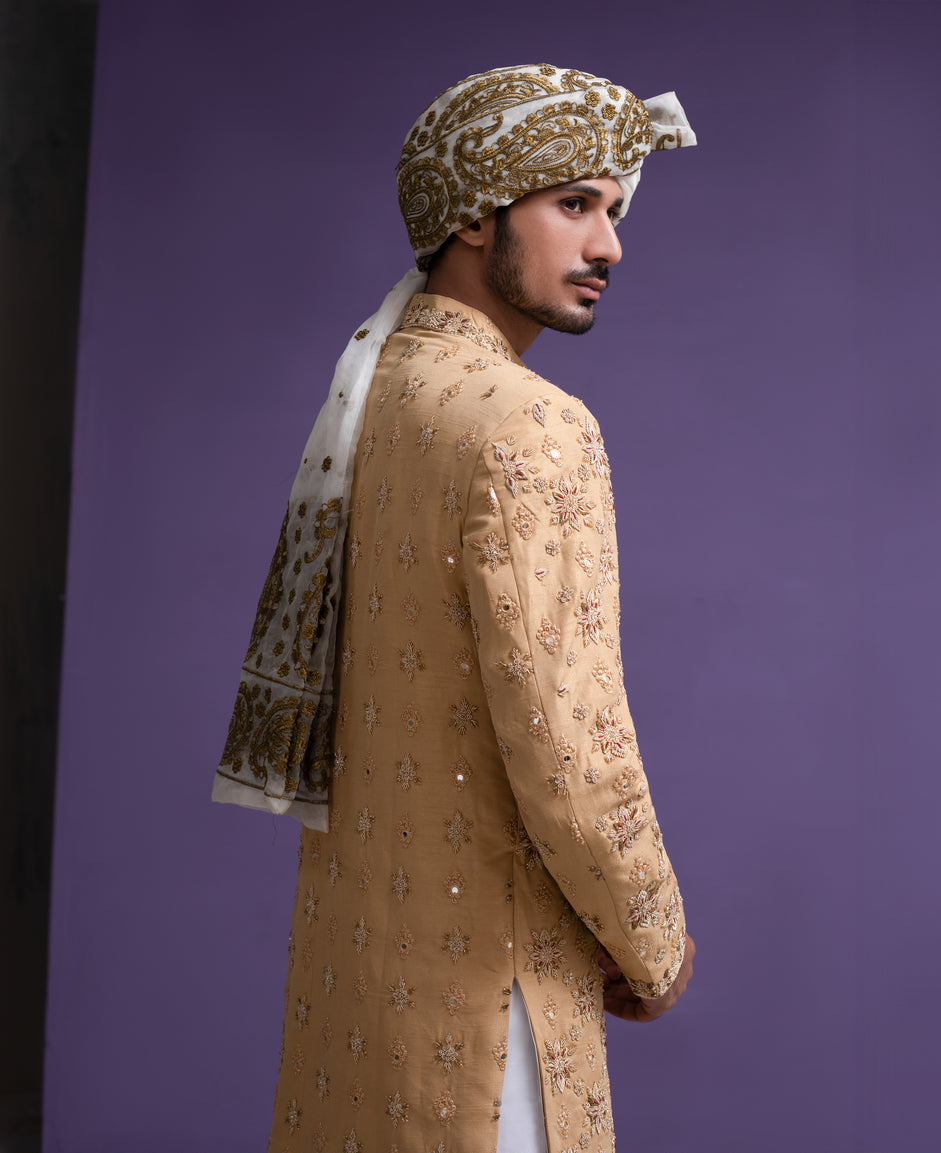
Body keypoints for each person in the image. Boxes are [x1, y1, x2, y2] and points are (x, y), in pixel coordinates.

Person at [214, 63, 697, 1153]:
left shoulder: (373, 399)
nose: (610, 247)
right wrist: (653, 935)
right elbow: (567, 741)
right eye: (574, 205)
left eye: (612, 212)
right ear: (475, 214)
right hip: (494, 1020)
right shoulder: (533, 425)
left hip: (361, 989)